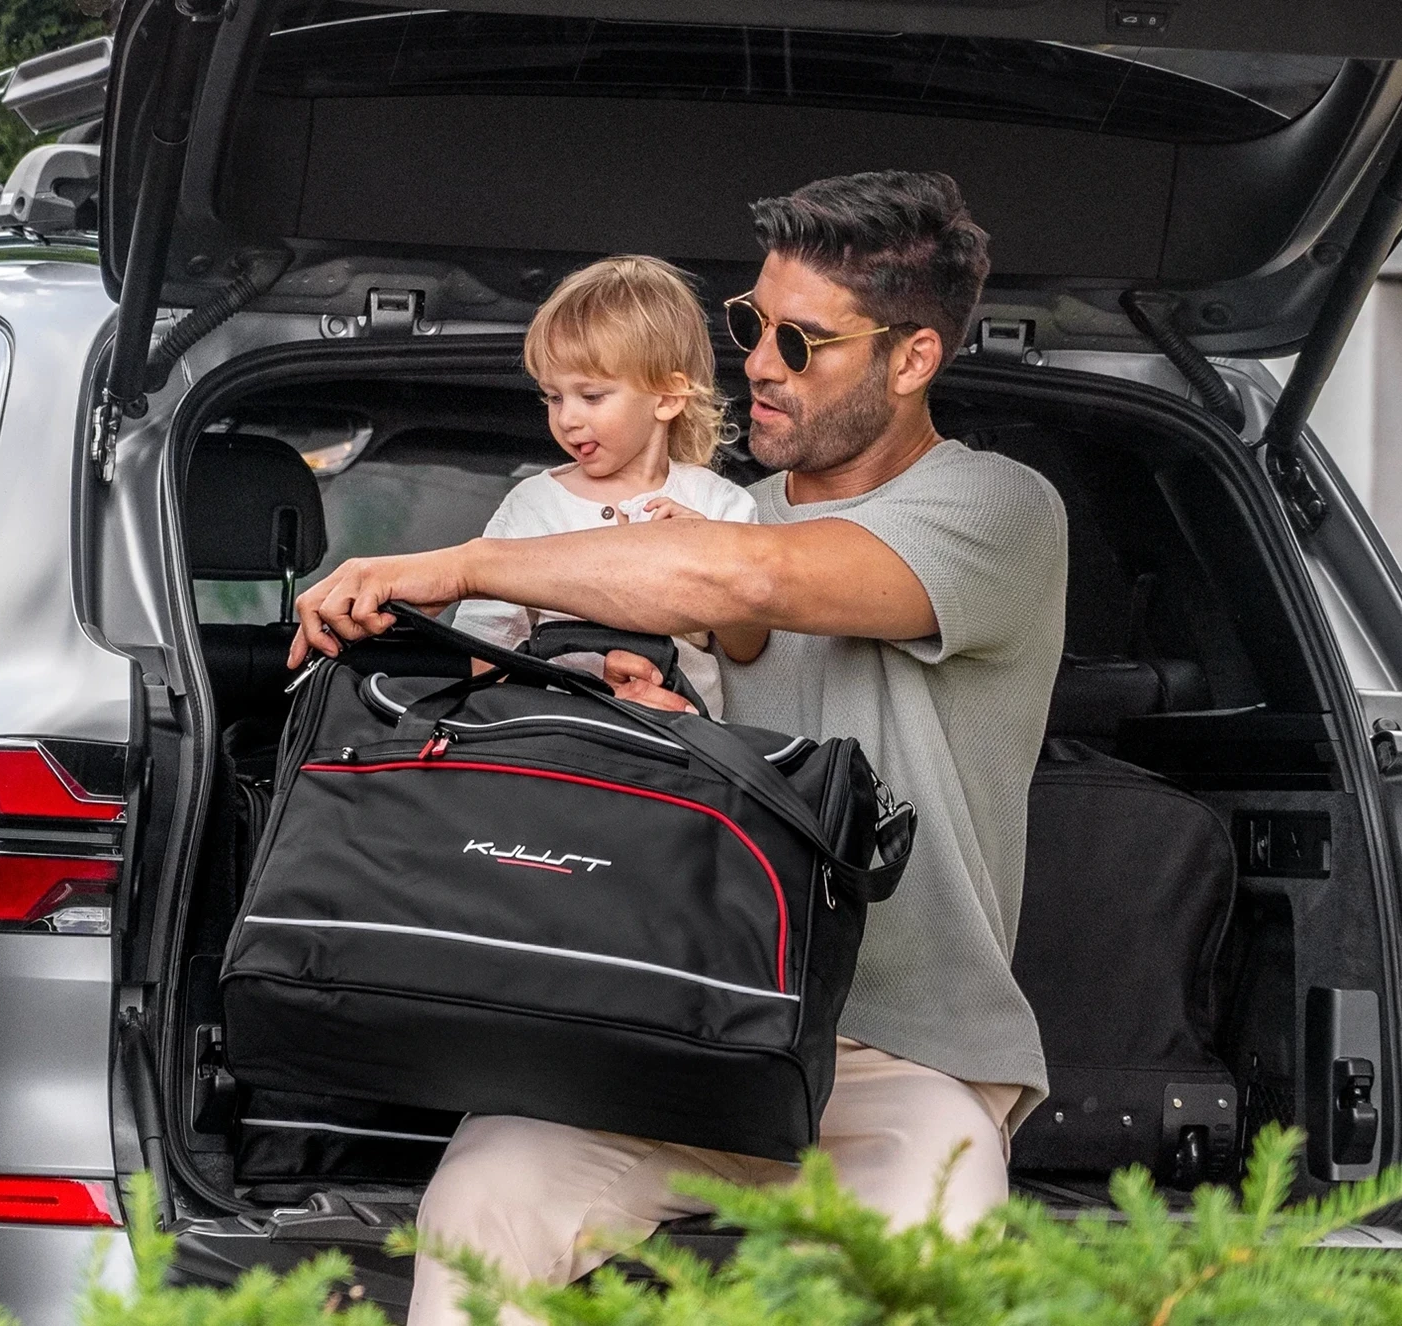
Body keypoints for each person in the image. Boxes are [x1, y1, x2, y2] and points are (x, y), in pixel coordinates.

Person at [285, 170, 1069, 1325]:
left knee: (925, 1264)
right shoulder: (706, 512)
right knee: (478, 1213)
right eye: (750, 325)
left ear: (911, 360)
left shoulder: (994, 509)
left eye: (799, 342)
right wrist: (635, 717)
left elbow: (744, 580)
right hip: (663, 1021)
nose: (757, 364)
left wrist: (453, 565)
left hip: (899, 1055)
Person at [452, 254, 764, 716]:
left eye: (591, 396)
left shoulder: (717, 504)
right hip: (561, 744)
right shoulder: (534, 505)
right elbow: (486, 644)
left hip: (678, 750)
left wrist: (711, 554)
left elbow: (746, 646)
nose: (567, 418)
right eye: (554, 397)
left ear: (668, 397)